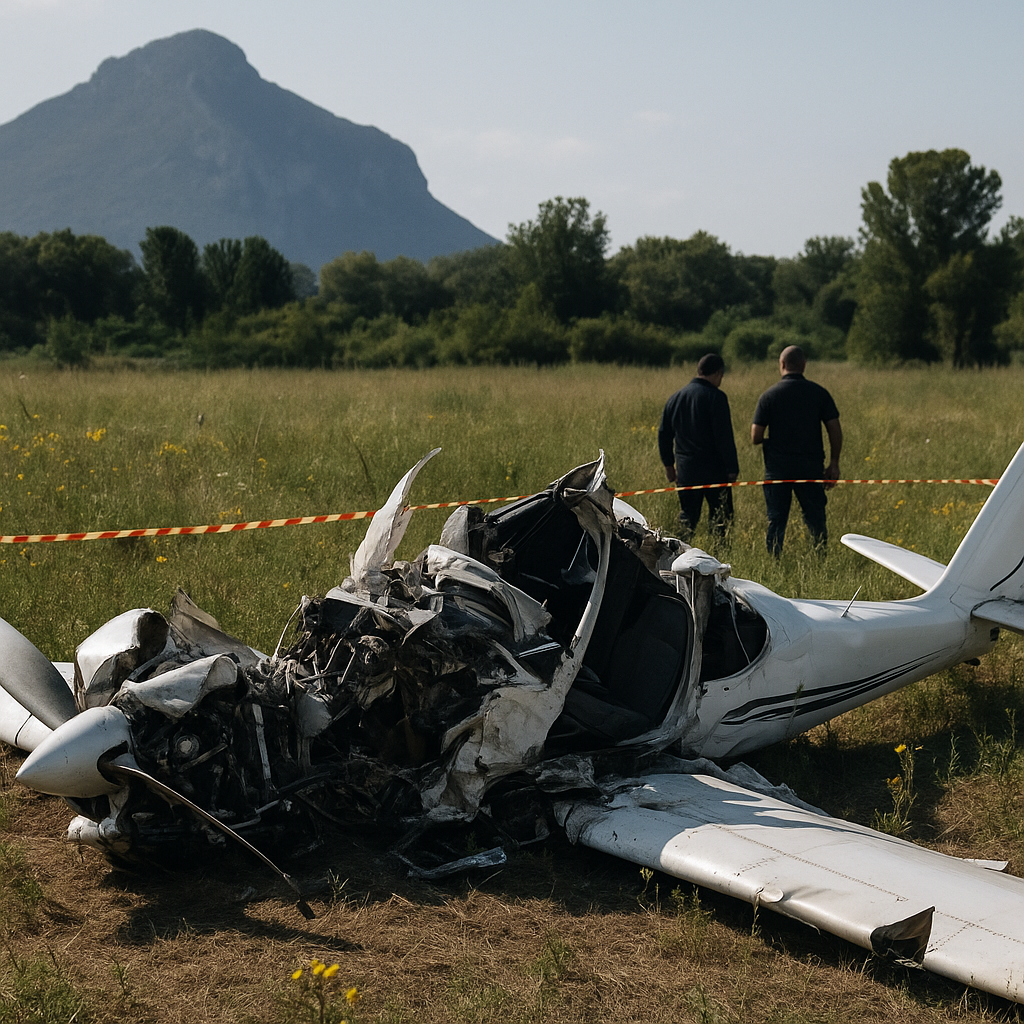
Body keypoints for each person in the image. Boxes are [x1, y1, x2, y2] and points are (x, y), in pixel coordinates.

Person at [751, 345, 842, 555]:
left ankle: (774, 560)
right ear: (804, 365)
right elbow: (834, 429)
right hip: (810, 468)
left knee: (776, 520)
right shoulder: (819, 393)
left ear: (782, 364)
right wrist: (834, 463)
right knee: (815, 519)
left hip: (778, 470)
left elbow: (755, 437)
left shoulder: (769, 396)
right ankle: (819, 557)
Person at [657, 352, 739, 541]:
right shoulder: (716, 397)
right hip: (715, 470)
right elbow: (724, 436)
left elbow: (664, 435)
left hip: (686, 471)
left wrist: (669, 466)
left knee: (687, 518)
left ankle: (678, 553)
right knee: (721, 518)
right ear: (717, 373)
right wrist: (732, 467)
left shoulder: (675, 398)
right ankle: (719, 554)